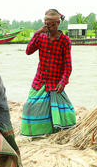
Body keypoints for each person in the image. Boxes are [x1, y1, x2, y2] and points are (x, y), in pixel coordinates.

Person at [21, 9, 76, 138]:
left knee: (60, 113)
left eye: (53, 25)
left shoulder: (65, 41)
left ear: (58, 23)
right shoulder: (40, 38)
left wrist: (63, 82)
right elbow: (28, 51)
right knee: (29, 107)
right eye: (47, 25)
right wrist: (36, 33)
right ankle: (36, 133)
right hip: (40, 81)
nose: (50, 28)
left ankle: (53, 133)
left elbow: (68, 66)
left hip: (55, 83)